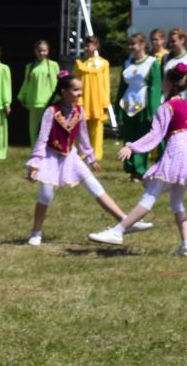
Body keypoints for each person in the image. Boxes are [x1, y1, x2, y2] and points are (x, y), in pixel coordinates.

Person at [90, 64, 187, 256]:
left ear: (168, 83)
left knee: (151, 195)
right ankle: (186, 245)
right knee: (177, 203)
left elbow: (155, 134)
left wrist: (132, 147)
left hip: (178, 152)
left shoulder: (167, 107)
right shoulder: (186, 104)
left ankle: (118, 231)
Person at [25, 72, 134, 246]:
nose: (80, 93)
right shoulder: (51, 112)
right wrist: (35, 164)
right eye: (76, 90)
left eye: (80, 89)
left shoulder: (79, 111)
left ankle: (126, 221)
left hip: (71, 157)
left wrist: (91, 158)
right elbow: (42, 139)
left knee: (95, 187)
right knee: (46, 195)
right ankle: (36, 232)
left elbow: (83, 137)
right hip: (51, 157)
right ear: (63, 92)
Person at [116, 33, 163, 178]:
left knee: (142, 138)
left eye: (133, 44)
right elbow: (122, 87)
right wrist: (118, 109)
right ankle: (130, 169)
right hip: (129, 105)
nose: (131, 47)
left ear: (142, 45)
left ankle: (140, 170)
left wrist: (153, 111)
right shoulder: (127, 64)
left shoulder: (151, 62)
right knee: (129, 136)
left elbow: (155, 88)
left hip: (144, 105)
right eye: (129, 44)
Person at [72, 35, 113, 158]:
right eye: (84, 45)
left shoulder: (103, 63)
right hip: (83, 99)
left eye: (88, 45)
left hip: (97, 100)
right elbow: (75, 81)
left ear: (96, 46)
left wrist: (106, 102)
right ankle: (82, 153)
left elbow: (106, 83)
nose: (86, 48)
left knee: (96, 128)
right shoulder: (80, 63)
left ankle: (96, 154)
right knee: (81, 127)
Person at [17, 39, 60, 145]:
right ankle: (35, 152)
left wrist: (59, 98)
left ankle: (49, 152)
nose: (42, 53)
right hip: (34, 101)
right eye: (39, 50)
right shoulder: (30, 66)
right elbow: (26, 83)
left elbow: (58, 82)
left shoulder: (53, 65)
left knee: (49, 128)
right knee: (34, 129)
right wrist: (22, 96)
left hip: (48, 102)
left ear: (48, 51)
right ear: (35, 51)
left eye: (44, 50)